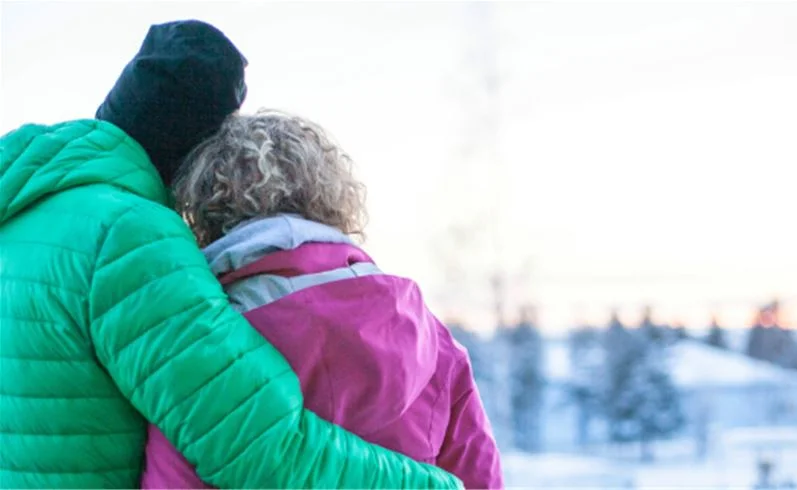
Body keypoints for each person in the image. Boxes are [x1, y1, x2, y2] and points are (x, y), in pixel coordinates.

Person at [0, 20, 461, 489]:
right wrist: (435, 485)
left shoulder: (24, 215)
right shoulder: (129, 235)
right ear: (197, 154)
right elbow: (258, 447)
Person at [143, 108, 504, 489]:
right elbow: (480, 477)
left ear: (205, 211)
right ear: (329, 197)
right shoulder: (428, 336)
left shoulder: (204, 340)